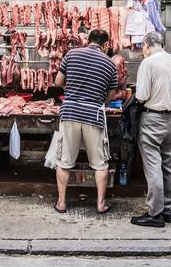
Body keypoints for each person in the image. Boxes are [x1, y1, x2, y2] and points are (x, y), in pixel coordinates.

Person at [53, 29, 118, 215]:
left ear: (88, 40)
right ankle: (100, 204)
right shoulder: (109, 63)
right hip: (93, 115)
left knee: (64, 161)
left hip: (70, 112)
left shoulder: (71, 54)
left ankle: (62, 203)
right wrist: (98, 102)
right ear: (105, 45)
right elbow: (111, 95)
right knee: (100, 163)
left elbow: (58, 82)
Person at [131, 32, 171, 228]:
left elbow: (141, 96)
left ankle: (154, 214)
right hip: (170, 119)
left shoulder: (148, 64)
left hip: (152, 119)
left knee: (153, 167)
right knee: (169, 166)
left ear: (147, 44)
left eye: (142, 47)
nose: (142, 51)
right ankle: (168, 211)